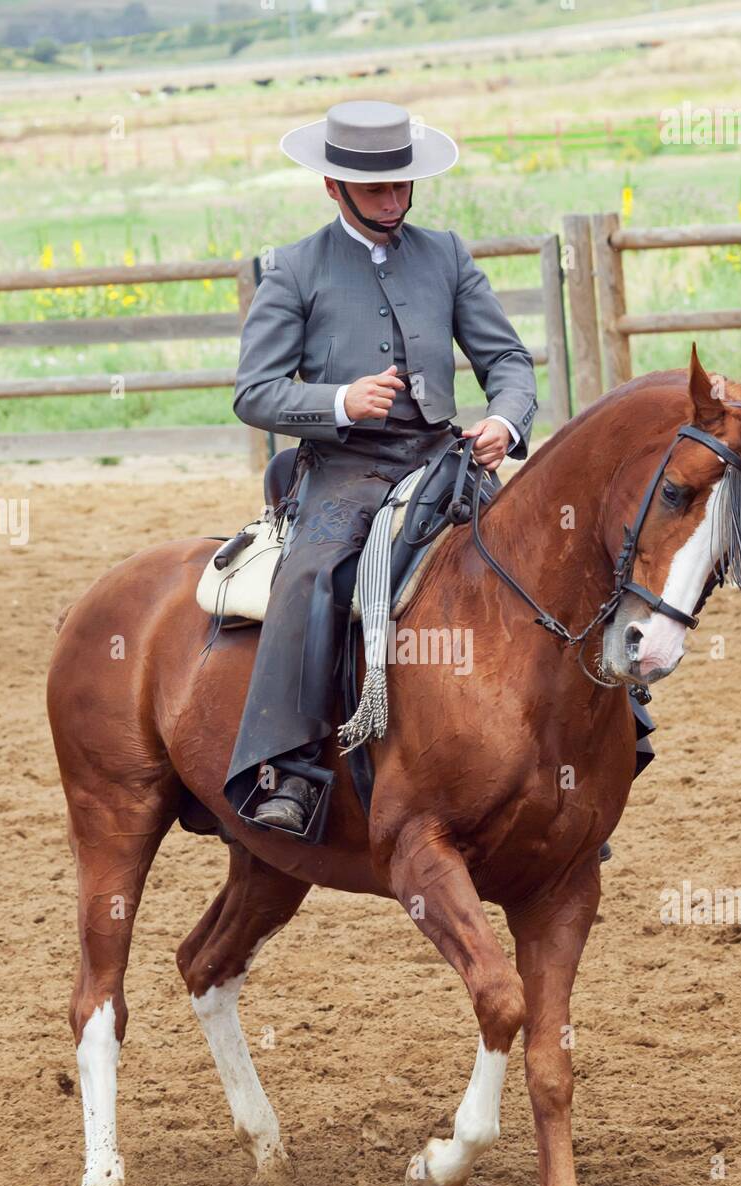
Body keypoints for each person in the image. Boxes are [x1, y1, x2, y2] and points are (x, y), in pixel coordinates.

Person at [225, 99, 538, 834]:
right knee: (310, 577)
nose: (393, 202)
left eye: (401, 187)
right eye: (376, 191)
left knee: (544, 556)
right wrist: (338, 401)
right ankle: (288, 767)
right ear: (333, 188)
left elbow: (509, 361)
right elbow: (253, 392)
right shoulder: (293, 270)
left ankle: (606, 733)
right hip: (345, 468)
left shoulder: (448, 255)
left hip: (443, 460)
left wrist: (504, 419)